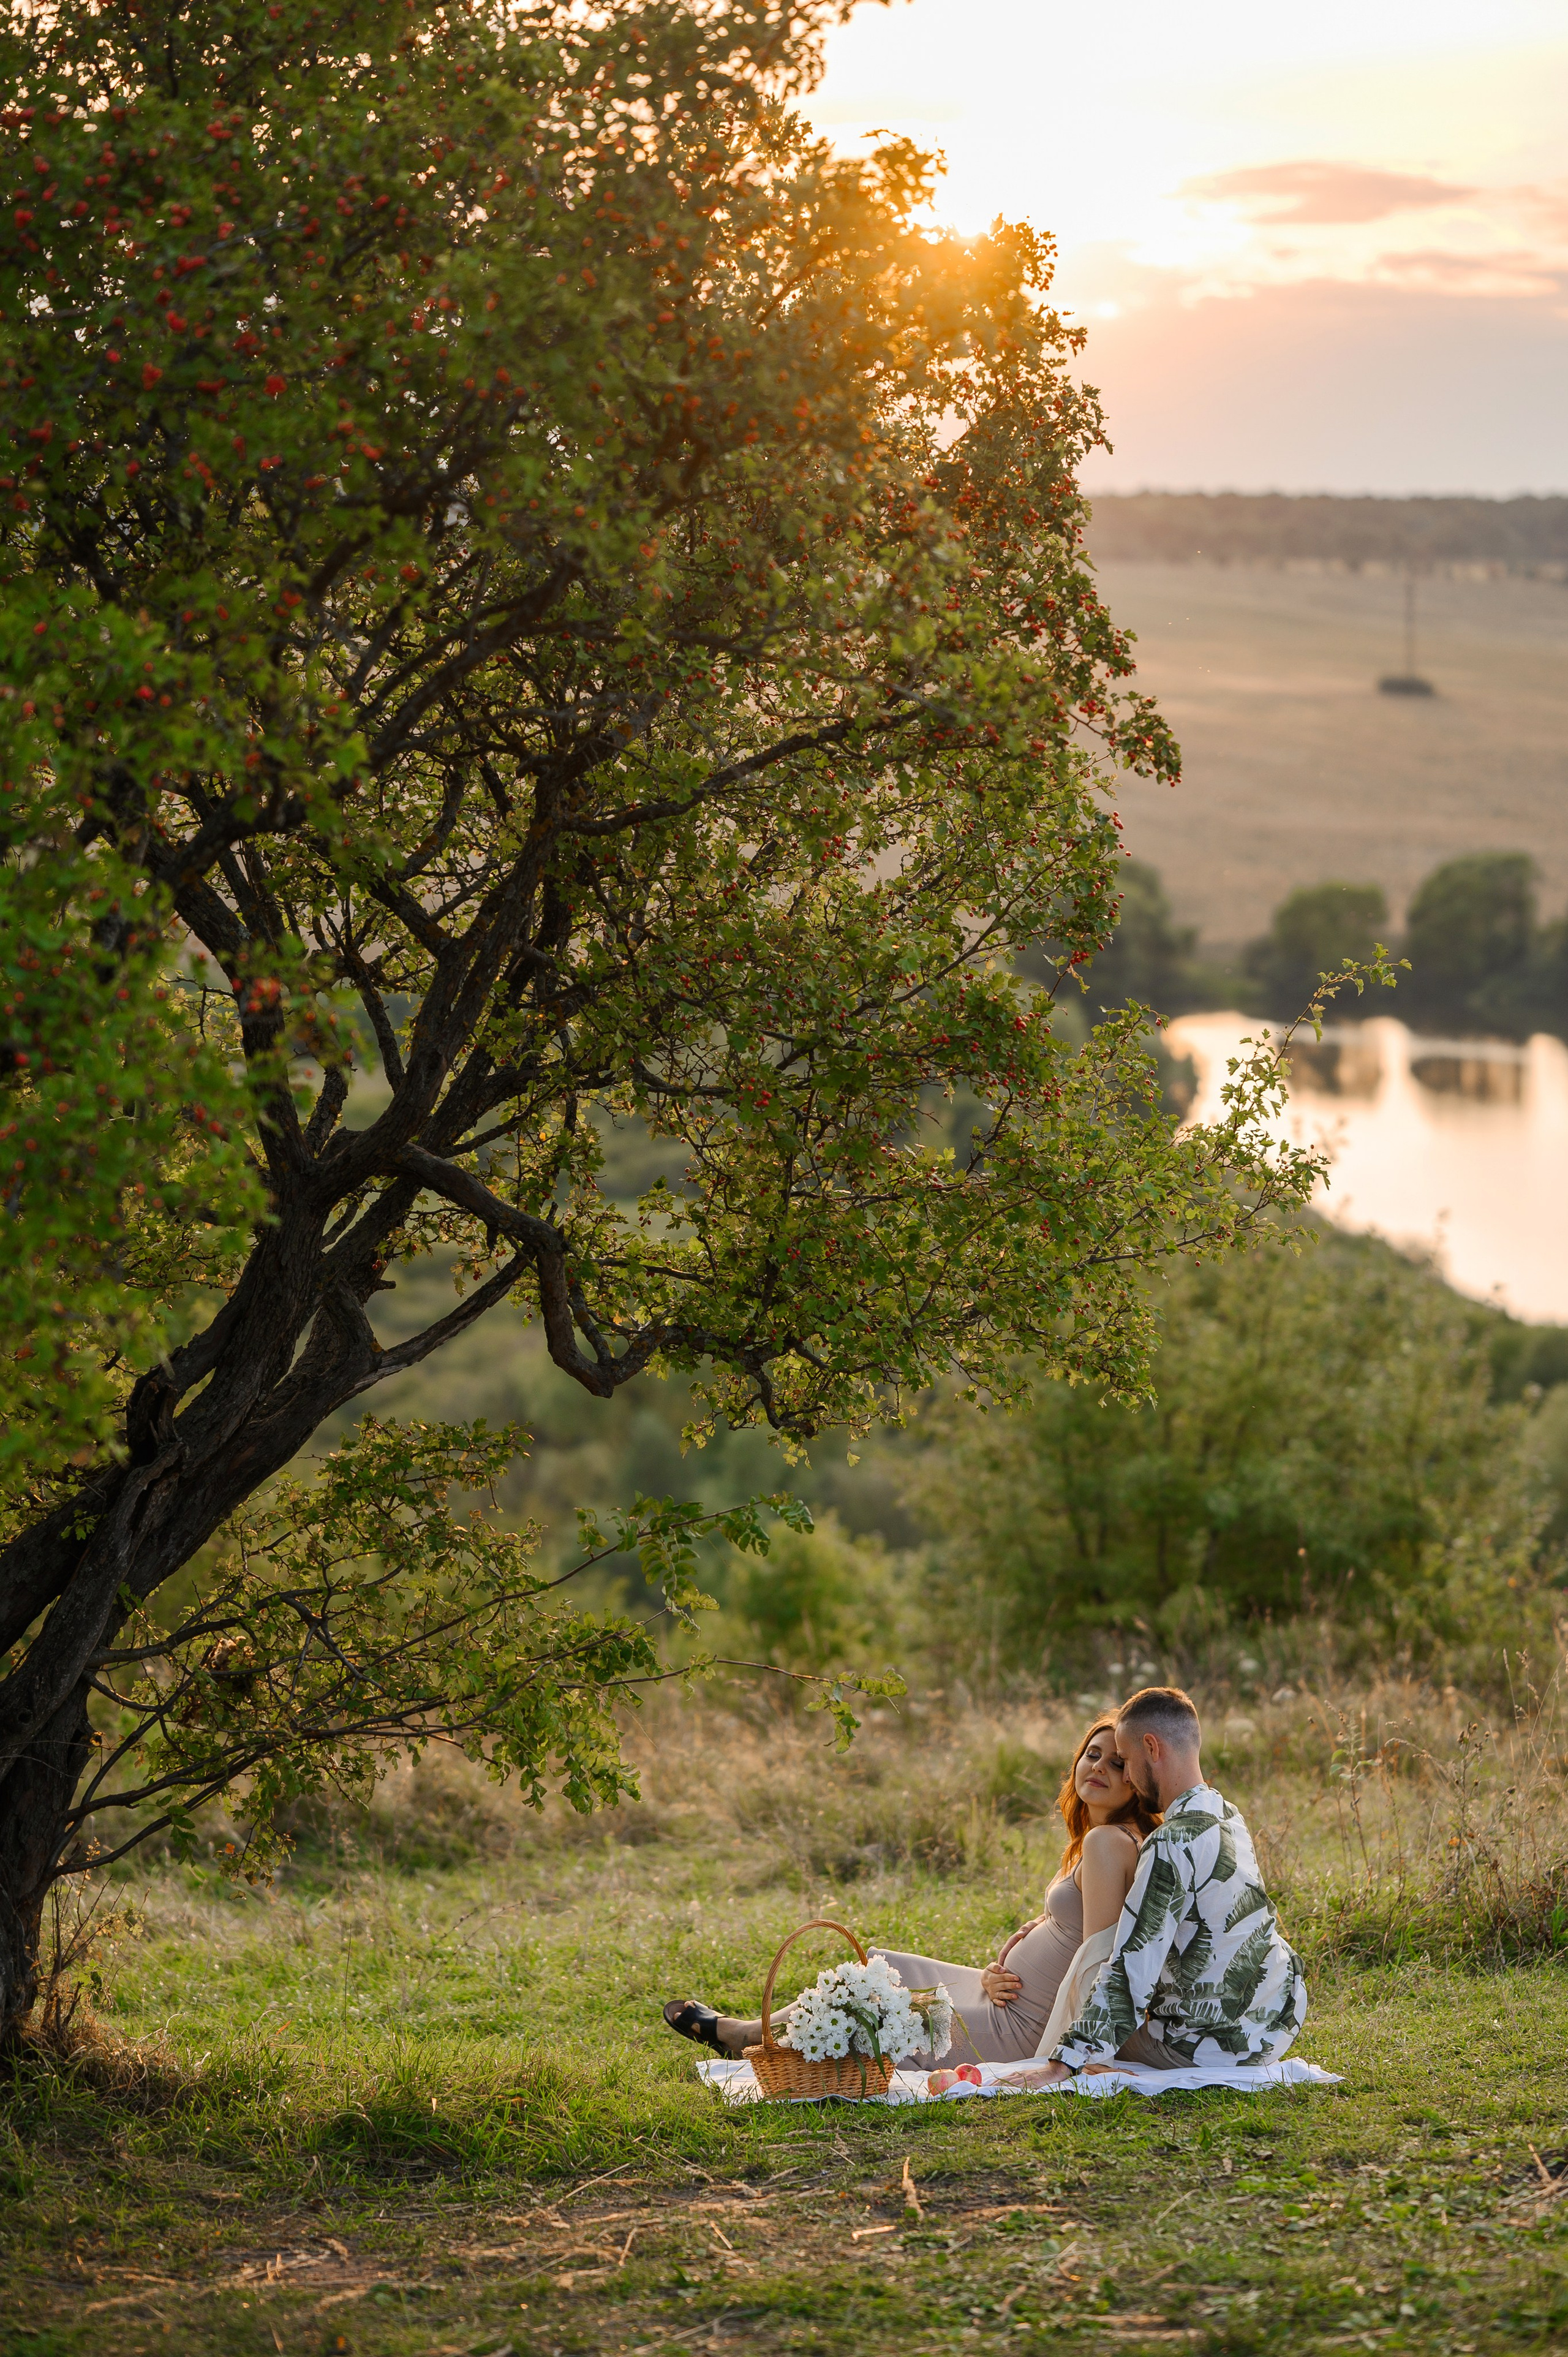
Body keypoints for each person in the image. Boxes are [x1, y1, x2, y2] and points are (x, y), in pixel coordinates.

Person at [660, 1714, 1159, 2064]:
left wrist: (1082, 2050)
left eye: (1117, 1763)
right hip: (1011, 2003)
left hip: (1026, 2031)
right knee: (885, 1963)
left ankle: (748, 2037)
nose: (1099, 1767)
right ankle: (760, 2032)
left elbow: (1101, 1960)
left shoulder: (1107, 1842)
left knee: (874, 2000)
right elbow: (1080, 1928)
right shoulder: (1098, 1839)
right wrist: (1008, 1961)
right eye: (1092, 1754)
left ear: (1138, 1779)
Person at [1028, 1685, 1306, 2081]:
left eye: (1125, 1759)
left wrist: (1066, 2060)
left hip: (1199, 2048)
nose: (1127, 1774)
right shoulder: (1227, 1815)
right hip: (1271, 2028)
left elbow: (1132, 1966)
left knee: (1067, 2022)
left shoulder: (1171, 1841)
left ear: (1152, 1748)